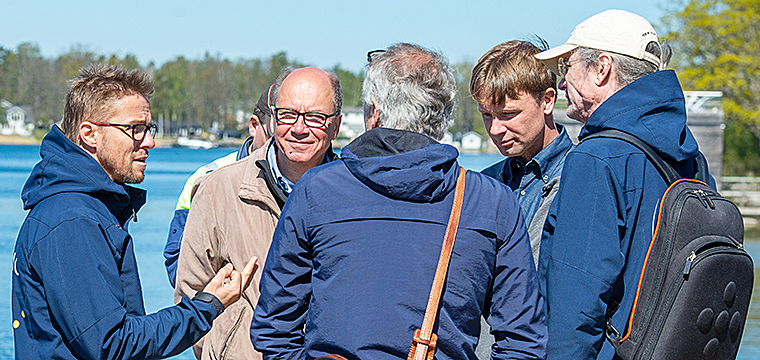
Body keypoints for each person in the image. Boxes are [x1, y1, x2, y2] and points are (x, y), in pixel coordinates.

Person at [251, 43, 546, 360]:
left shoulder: (317, 190)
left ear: (373, 112)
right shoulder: (491, 200)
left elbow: (274, 330)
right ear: (443, 116)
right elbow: (523, 342)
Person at [11, 64, 257, 360]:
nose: (149, 141)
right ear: (89, 134)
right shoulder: (72, 219)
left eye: (148, 128)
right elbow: (111, 345)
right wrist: (208, 305)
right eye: (135, 129)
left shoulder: (87, 209)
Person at [534, 10, 715, 359]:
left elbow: (578, 298)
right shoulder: (691, 156)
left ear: (602, 69)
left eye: (566, 67)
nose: (560, 83)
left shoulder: (597, 158)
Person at [175, 66, 342, 360]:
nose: (299, 128)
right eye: (288, 114)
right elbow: (191, 291)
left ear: (336, 125)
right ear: (273, 116)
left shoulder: (354, 195)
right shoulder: (219, 188)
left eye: (315, 118)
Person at [471, 39, 574, 266]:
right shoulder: (484, 184)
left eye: (508, 114)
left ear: (547, 100)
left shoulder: (580, 177)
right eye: (486, 115)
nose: (495, 129)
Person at [163, 85, 274, 287]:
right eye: (273, 135)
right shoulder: (206, 177)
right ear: (253, 125)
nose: (281, 146)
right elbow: (178, 264)